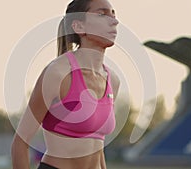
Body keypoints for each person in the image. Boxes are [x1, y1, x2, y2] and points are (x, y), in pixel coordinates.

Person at [11, 0, 120, 168]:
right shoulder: (57, 74)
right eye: (102, 14)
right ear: (79, 27)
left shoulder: (112, 80)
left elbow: (98, 148)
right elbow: (20, 143)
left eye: (113, 14)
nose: (114, 21)